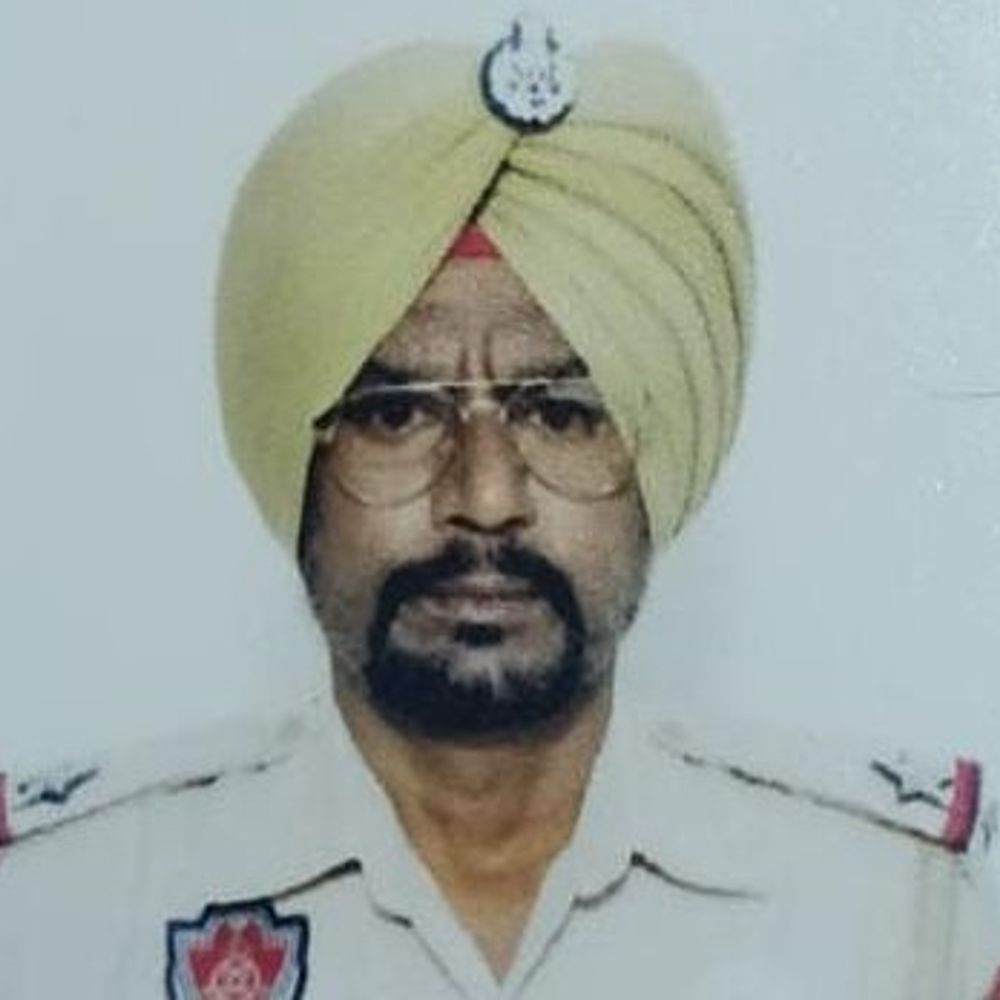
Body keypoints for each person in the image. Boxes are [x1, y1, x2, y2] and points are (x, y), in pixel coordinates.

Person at [1, 16, 997, 999]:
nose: (484, 498)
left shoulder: (914, 910)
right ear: (296, 460)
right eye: (396, 414)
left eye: (561, 415)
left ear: (653, 457)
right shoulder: (53, 912)